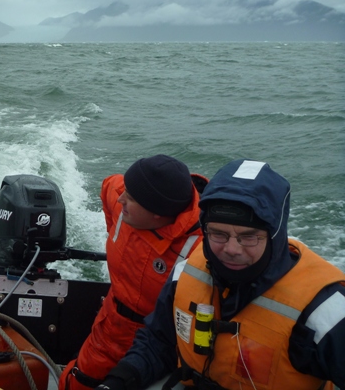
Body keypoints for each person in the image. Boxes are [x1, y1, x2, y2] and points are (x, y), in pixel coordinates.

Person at [97, 159, 345, 390]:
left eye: (249, 237)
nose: (231, 249)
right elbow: (158, 342)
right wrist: (120, 379)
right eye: (218, 234)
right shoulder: (186, 272)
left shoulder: (325, 312)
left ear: (274, 236)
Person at [60, 155, 207, 389]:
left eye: (130, 198)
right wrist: (114, 232)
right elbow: (109, 185)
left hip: (160, 343)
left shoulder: (201, 250)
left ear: (157, 212)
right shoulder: (123, 201)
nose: (121, 199)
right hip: (109, 325)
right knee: (77, 383)